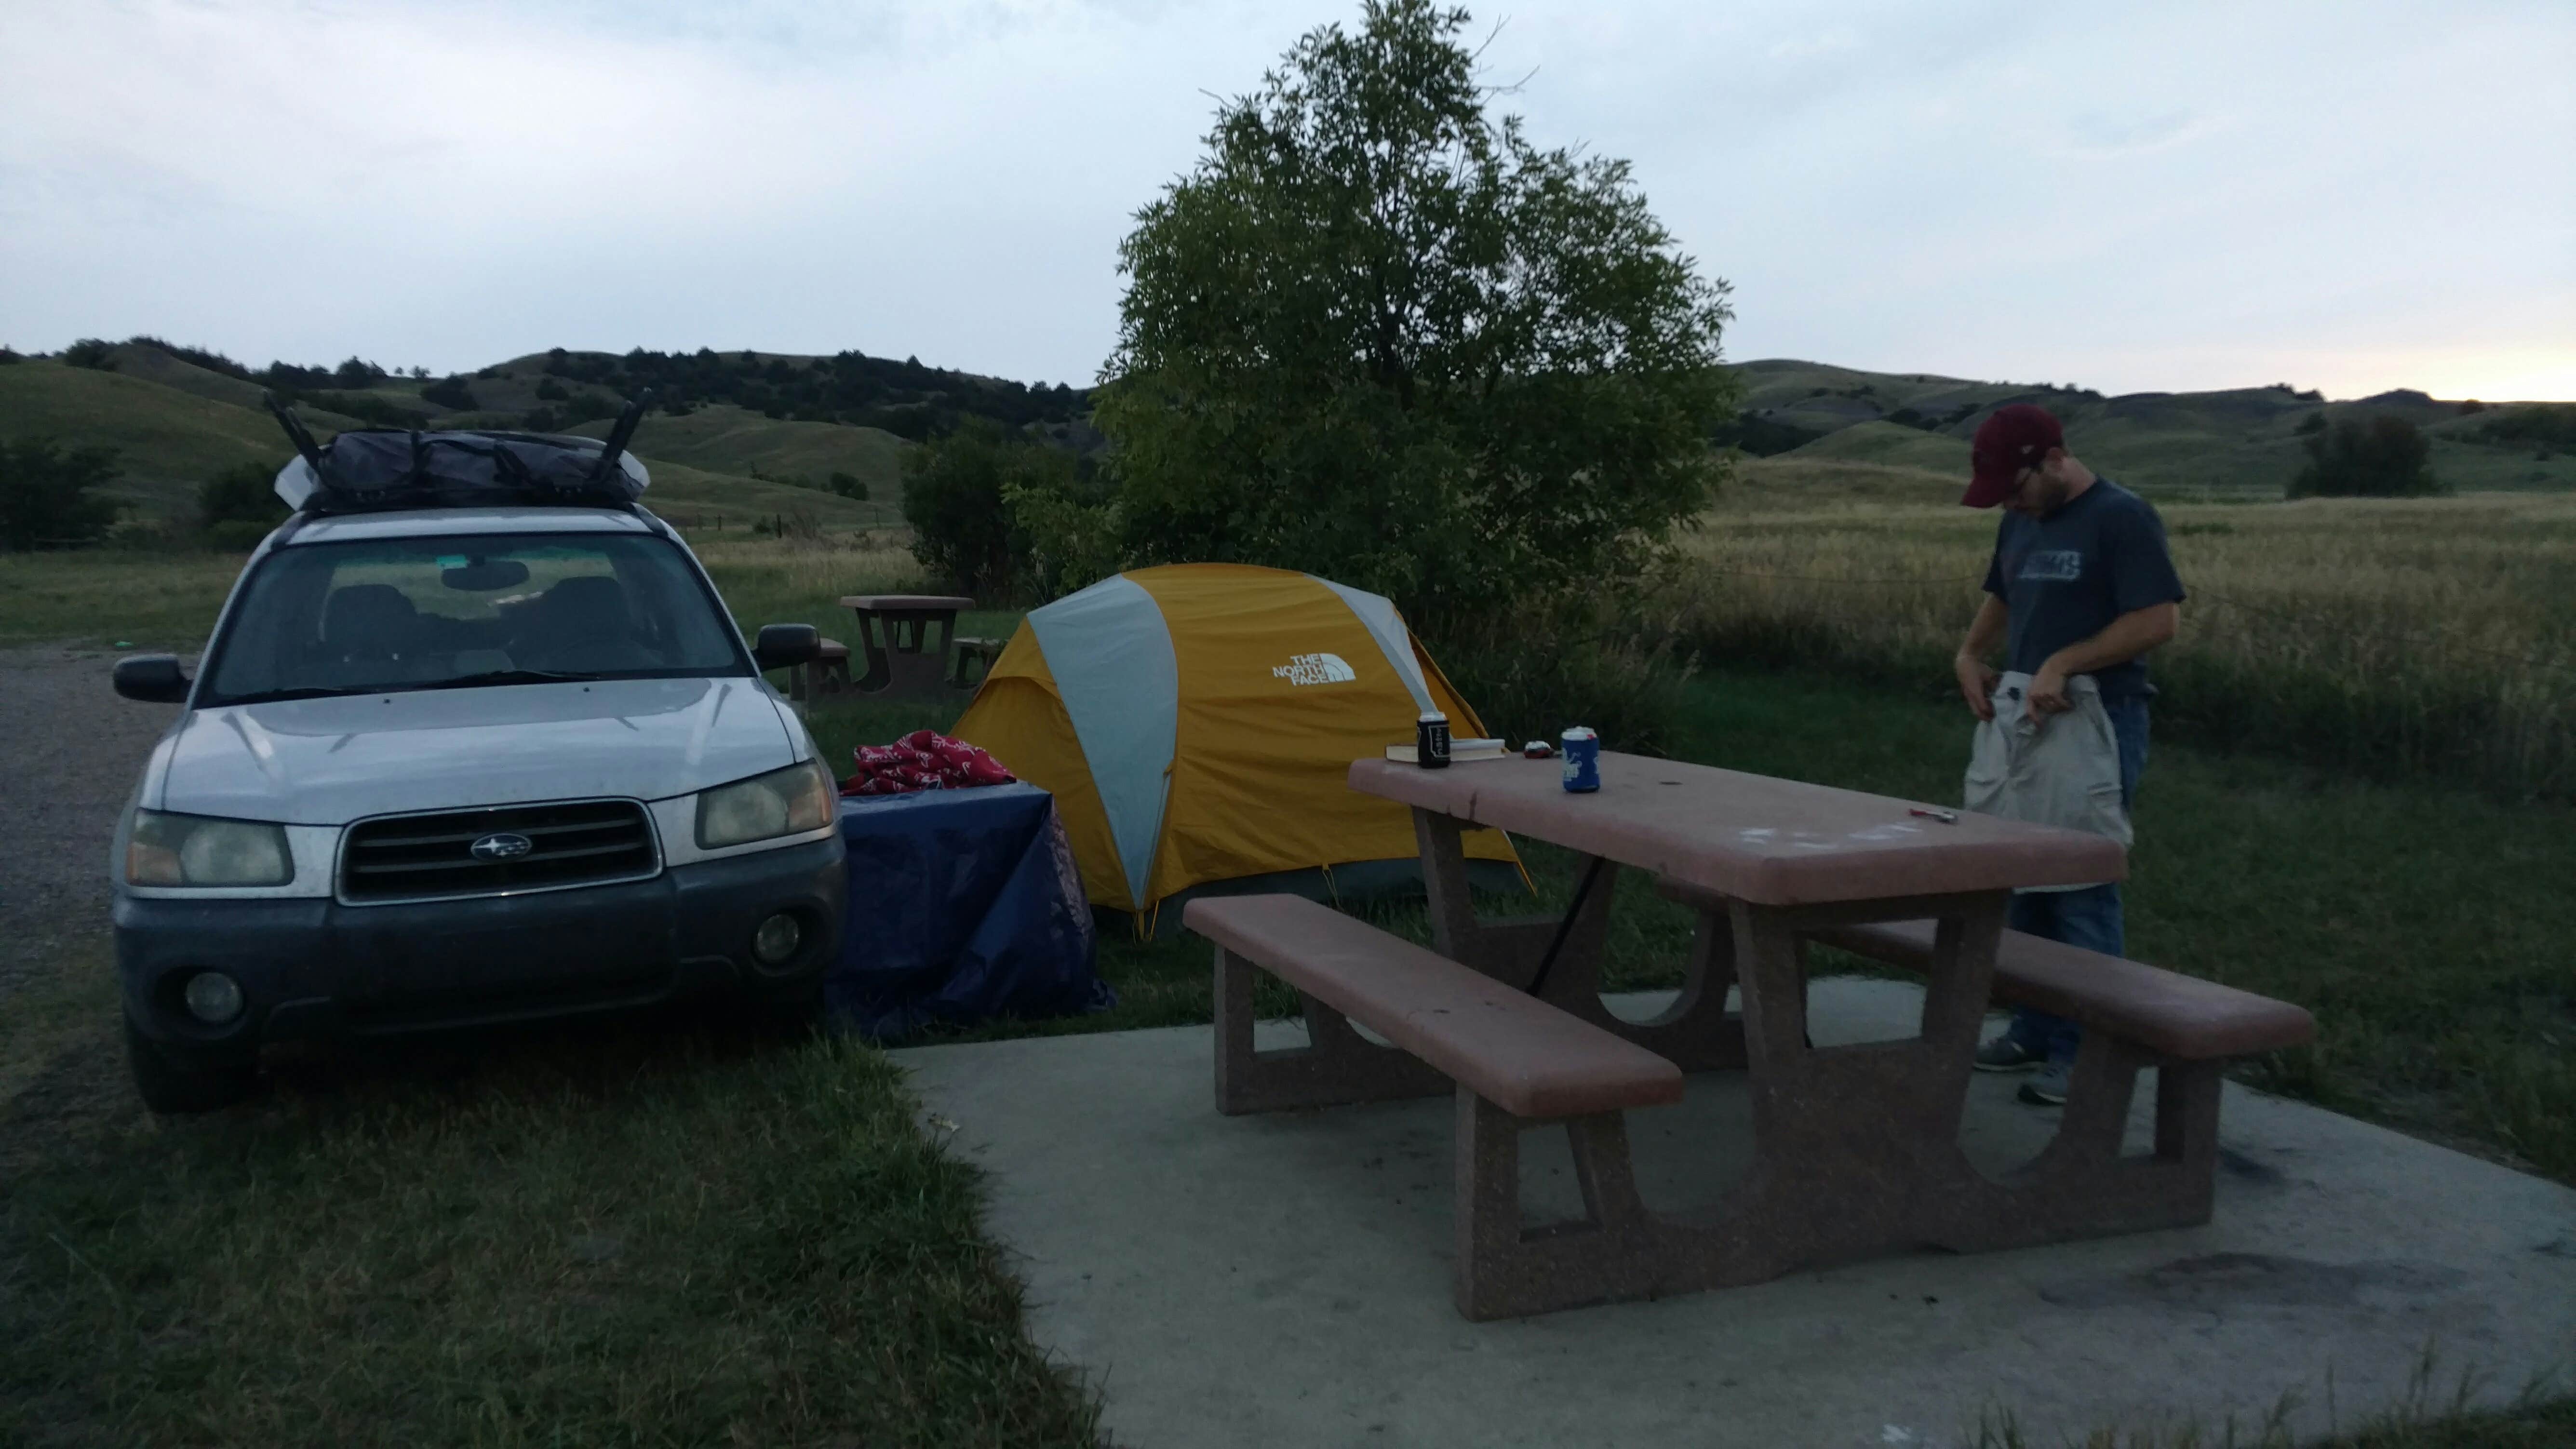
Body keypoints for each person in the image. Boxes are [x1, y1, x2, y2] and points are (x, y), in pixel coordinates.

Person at [1952, 403, 2185, 1106]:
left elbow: (2158, 618)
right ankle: (2034, 1026)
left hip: (2096, 718)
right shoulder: (2019, 516)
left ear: (2052, 458)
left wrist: (2066, 662)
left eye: (2016, 486)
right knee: (2021, 880)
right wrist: (1970, 653)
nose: (2012, 503)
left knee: (2080, 884)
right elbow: (2004, 594)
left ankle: (2088, 1053)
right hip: (2025, 718)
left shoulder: (2121, 517)